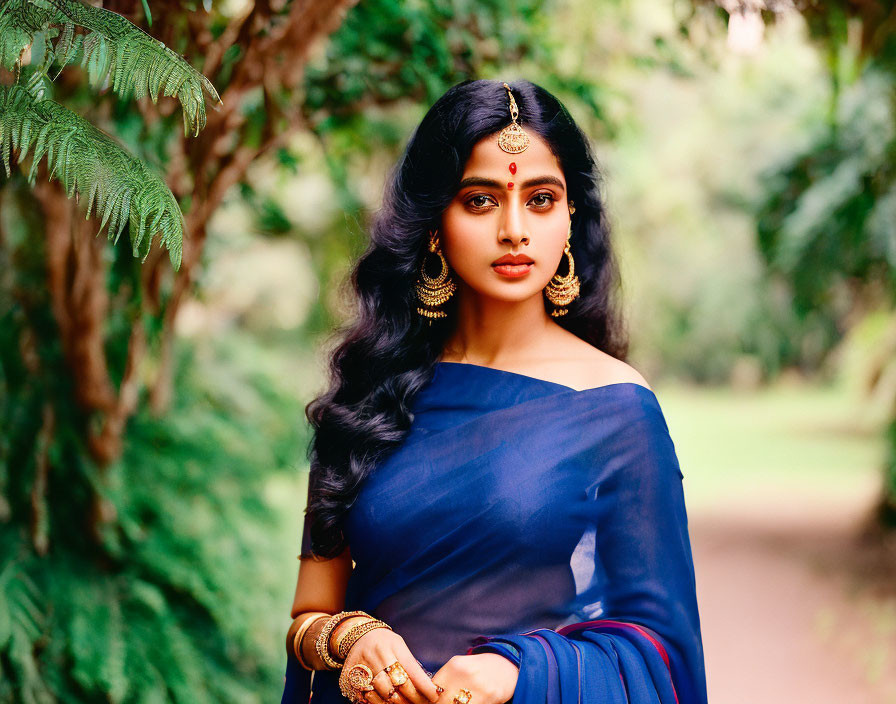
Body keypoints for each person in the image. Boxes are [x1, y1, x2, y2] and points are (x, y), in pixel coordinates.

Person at [281, 79, 708, 704]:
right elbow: (307, 616)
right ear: (434, 223)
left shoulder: (617, 408)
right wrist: (350, 637)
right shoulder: (368, 394)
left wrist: (518, 672)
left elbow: (663, 650)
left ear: (569, 218)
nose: (514, 229)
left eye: (540, 199)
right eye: (481, 201)